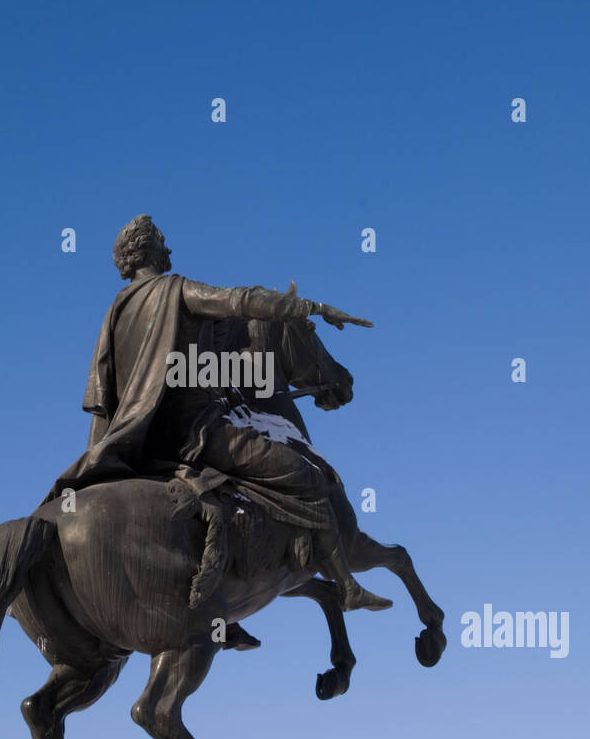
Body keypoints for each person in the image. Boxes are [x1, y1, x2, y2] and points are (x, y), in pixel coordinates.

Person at [41, 215, 390, 613]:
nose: (168, 247)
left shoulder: (116, 312)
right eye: (162, 240)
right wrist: (308, 308)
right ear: (149, 248)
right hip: (197, 434)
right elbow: (240, 301)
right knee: (306, 476)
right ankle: (345, 586)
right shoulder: (173, 290)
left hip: (142, 440)